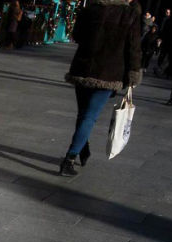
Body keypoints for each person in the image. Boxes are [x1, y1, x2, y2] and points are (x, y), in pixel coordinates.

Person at [60, 0, 142, 176]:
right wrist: (134, 73)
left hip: (83, 67)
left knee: (83, 114)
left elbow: (77, 35)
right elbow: (134, 47)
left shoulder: (90, 9)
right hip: (108, 72)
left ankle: (83, 148)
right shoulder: (129, 14)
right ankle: (70, 158)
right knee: (89, 116)